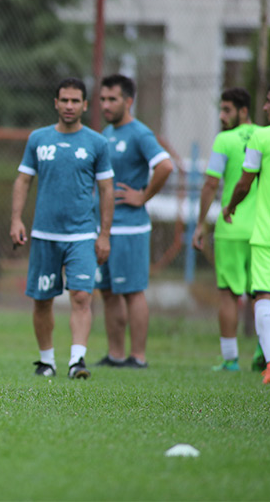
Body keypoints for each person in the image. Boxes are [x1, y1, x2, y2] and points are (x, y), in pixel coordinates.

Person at [11, 77, 114, 379]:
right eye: (64, 100)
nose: (69, 106)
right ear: (56, 103)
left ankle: (77, 361)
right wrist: (16, 219)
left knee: (82, 296)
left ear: (84, 104)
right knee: (42, 300)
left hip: (82, 235)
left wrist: (104, 235)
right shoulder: (38, 139)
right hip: (44, 234)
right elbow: (23, 180)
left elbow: (107, 190)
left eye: (75, 101)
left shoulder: (97, 143)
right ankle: (46, 362)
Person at [94, 75, 173, 369]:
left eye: (112, 99)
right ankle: (116, 355)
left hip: (130, 227)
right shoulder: (107, 133)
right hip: (104, 228)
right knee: (108, 291)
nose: (106, 105)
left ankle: (138, 357)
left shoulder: (139, 133)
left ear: (128, 101)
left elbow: (165, 166)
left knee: (132, 291)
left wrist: (143, 196)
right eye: (102, 99)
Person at [192, 88, 259, 371]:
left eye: (227, 110)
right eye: (220, 110)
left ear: (244, 110)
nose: (221, 116)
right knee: (264, 295)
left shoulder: (225, 140)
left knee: (229, 295)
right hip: (264, 230)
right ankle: (265, 355)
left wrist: (200, 223)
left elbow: (210, 184)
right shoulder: (267, 137)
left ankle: (231, 359)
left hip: (230, 229)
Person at [223, 78, 270, 385]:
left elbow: (245, 182)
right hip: (269, 236)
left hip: (269, 236)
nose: (265, 107)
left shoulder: (262, 136)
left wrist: (230, 205)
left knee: (264, 296)